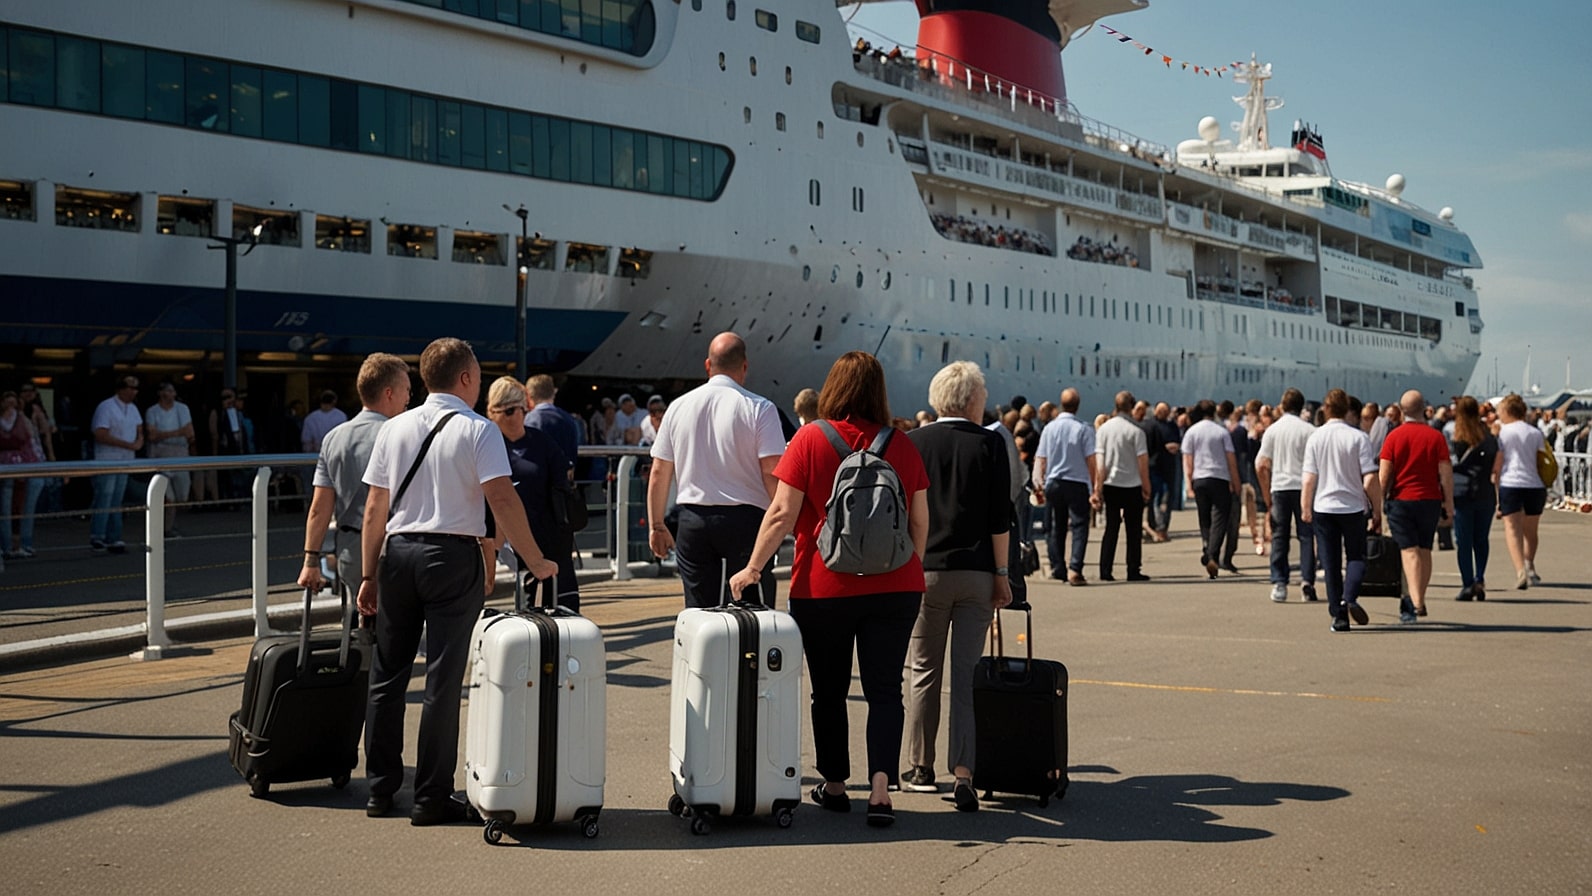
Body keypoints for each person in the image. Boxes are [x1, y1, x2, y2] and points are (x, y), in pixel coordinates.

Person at [357, 338, 558, 825]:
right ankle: (429, 797)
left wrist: (368, 575)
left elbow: (373, 510)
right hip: (452, 557)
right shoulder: (479, 430)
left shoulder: (394, 428)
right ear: (466, 379)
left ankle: (380, 790)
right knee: (442, 683)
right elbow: (502, 501)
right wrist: (535, 561)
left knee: (386, 677)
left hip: (398, 554)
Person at [728, 351, 928, 828]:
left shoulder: (809, 439)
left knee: (829, 690)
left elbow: (780, 513)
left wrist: (753, 567)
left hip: (823, 588)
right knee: (885, 690)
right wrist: (908, 565)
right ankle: (881, 791)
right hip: (895, 587)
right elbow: (920, 519)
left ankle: (836, 784)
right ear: (878, 390)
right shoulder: (901, 443)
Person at [901, 361, 1012, 812]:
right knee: (966, 674)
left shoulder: (913, 443)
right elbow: (998, 519)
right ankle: (963, 772)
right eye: (982, 395)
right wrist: (1003, 575)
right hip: (976, 571)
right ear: (970, 400)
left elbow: (906, 509)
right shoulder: (990, 444)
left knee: (923, 671)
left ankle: (919, 768)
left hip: (924, 570)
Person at [647, 332, 786, 608]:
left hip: (693, 519)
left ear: (708, 365)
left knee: (699, 611)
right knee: (751, 609)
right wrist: (783, 518)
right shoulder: (760, 408)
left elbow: (659, 472)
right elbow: (772, 472)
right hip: (747, 520)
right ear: (744, 367)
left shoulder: (677, 407)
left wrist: (657, 525)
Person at [297, 353, 410, 597]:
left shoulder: (334, 438)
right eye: (406, 391)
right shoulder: (403, 435)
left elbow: (320, 508)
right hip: (397, 551)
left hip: (350, 552)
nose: (408, 399)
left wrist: (311, 561)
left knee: (357, 617)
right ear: (389, 393)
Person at [485, 376, 579, 610]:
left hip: (547, 534)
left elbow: (564, 480)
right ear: (492, 412)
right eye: (508, 411)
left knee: (561, 608)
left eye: (523, 410)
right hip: (496, 537)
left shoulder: (542, 442)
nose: (517, 416)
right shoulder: (483, 445)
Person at [1302, 389, 1384, 632]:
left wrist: (1305, 507)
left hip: (1324, 506)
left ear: (1326, 409)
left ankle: (1338, 616)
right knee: (1356, 556)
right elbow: (1370, 479)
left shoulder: (1315, 438)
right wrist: (1377, 509)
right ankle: (1348, 597)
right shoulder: (1358, 438)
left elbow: (1308, 479)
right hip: (1352, 507)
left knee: (1330, 561)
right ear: (1347, 409)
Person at [1378, 390, 1453, 623]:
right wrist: (1448, 502)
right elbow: (1445, 473)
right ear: (1425, 409)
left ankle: (1416, 601)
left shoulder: (1393, 437)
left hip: (1401, 500)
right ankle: (1420, 595)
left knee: (1409, 551)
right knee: (1424, 550)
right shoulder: (1436, 437)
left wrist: (1377, 502)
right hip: (1429, 499)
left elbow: (1385, 473)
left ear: (1401, 411)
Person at [1256, 387, 1317, 602]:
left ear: (1282, 406)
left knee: (1280, 536)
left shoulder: (1273, 430)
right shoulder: (1309, 430)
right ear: (1301, 407)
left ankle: (1279, 583)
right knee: (1307, 535)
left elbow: (1261, 465)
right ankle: (1307, 582)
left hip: (1280, 487)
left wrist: (1266, 496)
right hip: (1303, 487)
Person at [1032, 387, 1098, 585]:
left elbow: (1041, 459)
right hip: (1077, 482)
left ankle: (1058, 567)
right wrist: (1095, 487)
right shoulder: (1084, 429)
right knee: (1079, 525)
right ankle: (1075, 569)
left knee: (1056, 526)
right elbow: (1091, 460)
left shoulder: (1049, 428)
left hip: (1054, 482)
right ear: (1077, 406)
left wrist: (1038, 483)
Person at [1093, 390, 1151, 582]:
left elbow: (1100, 463)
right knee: (1134, 530)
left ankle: (1105, 570)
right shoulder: (1136, 431)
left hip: (1111, 484)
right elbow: (1142, 462)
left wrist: (1097, 488)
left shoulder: (1103, 430)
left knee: (1111, 527)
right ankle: (1133, 569)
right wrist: (1146, 485)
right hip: (1132, 484)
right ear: (1132, 407)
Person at [1448, 396, 1500, 601]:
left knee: (1463, 541)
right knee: (1481, 539)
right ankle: (1480, 578)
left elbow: (1448, 463)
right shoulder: (1488, 436)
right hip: (1485, 492)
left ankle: (1467, 583)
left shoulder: (1455, 436)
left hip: (1462, 493)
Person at [1181, 399, 1239, 579]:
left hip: (1200, 479)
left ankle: (1207, 546)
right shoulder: (1222, 432)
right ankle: (1213, 554)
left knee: (1204, 517)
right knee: (1220, 519)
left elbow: (1187, 460)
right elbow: (1231, 460)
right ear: (1214, 412)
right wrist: (1236, 482)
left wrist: (1188, 482)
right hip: (1220, 479)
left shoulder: (1192, 432)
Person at [1494, 394, 1547, 589]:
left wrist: (1495, 487)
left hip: (1511, 482)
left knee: (1512, 528)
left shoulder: (1502, 433)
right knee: (1531, 530)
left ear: (1507, 412)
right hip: (1534, 483)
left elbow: (1498, 463)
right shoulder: (1535, 433)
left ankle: (1520, 570)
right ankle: (1529, 563)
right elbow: (1540, 458)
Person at [90, 375, 143, 554]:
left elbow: (139, 429)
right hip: (108, 459)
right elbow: (100, 433)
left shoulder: (133, 409)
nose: (133, 392)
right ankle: (98, 535)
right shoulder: (106, 407)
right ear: (121, 388)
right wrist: (129, 444)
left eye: (136, 388)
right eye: (130, 387)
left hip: (126, 459)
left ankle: (114, 536)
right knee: (105, 496)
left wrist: (138, 442)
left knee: (117, 498)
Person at [144, 382, 195, 538]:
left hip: (180, 455)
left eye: (173, 391)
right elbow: (152, 436)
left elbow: (189, 433)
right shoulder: (152, 411)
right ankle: (165, 529)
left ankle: (170, 525)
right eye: (167, 391)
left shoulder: (182, 409)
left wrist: (164, 434)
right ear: (160, 393)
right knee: (167, 497)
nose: (171, 394)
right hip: (160, 456)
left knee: (182, 497)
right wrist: (178, 432)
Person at [0, 390, 44, 560]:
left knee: (18, 507)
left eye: (14, 404)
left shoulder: (23, 419)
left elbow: (33, 438)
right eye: (7, 403)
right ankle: (7, 545)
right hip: (7, 468)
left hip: (21, 466)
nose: (10, 408)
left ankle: (18, 544)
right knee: (5, 508)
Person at [1146, 402, 1181, 542]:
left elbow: (1177, 440)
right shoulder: (1150, 425)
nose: (1164, 413)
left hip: (1169, 466)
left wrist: (1175, 447)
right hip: (1155, 466)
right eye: (1161, 411)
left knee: (1167, 498)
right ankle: (1155, 526)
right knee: (1154, 498)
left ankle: (1163, 527)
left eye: (1166, 411)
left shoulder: (1172, 425)